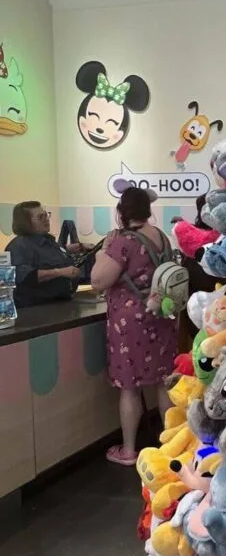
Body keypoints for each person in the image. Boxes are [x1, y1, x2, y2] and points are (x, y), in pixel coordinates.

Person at [90, 186, 178, 466]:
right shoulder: (161, 237)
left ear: (121, 212)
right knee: (164, 383)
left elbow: (98, 281)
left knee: (129, 386)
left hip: (131, 324)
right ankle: (171, 446)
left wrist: (103, 251)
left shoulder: (122, 242)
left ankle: (129, 450)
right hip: (162, 317)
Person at [6, 202, 81, 307]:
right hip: (36, 312)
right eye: (41, 217)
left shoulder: (49, 242)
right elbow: (25, 277)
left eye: (46, 215)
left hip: (62, 305)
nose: (46, 219)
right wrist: (60, 272)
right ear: (26, 223)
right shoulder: (19, 246)